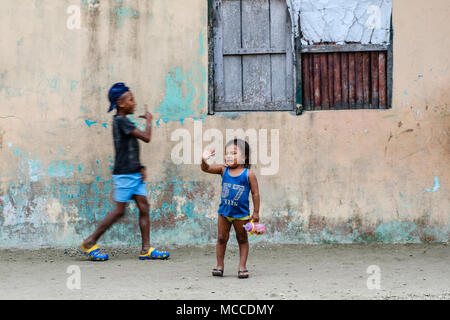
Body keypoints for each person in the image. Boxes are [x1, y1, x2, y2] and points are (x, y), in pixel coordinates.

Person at [80, 83, 170, 261]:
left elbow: (129, 149)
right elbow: (146, 138)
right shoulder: (121, 121)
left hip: (134, 173)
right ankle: (90, 241)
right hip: (124, 175)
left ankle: (146, 249)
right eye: (131, 99)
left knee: (144, 207)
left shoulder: (124, 121)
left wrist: (140, 167)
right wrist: (149, 120)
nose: (134, 103)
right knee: (119, 212)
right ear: (121, 104)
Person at [201, 139, 260, 278]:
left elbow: (255, 193)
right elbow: (206, 168)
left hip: (241, 215)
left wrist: (256, 212)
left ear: (244, 156)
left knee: (242, 239)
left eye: (233, 153)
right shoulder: (223, 170)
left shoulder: (248, 174)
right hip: (224, 213)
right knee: (221, 238)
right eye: (226, 153)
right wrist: (204, 159)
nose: (228, 156)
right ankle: (219, 266)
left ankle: (242, 266)